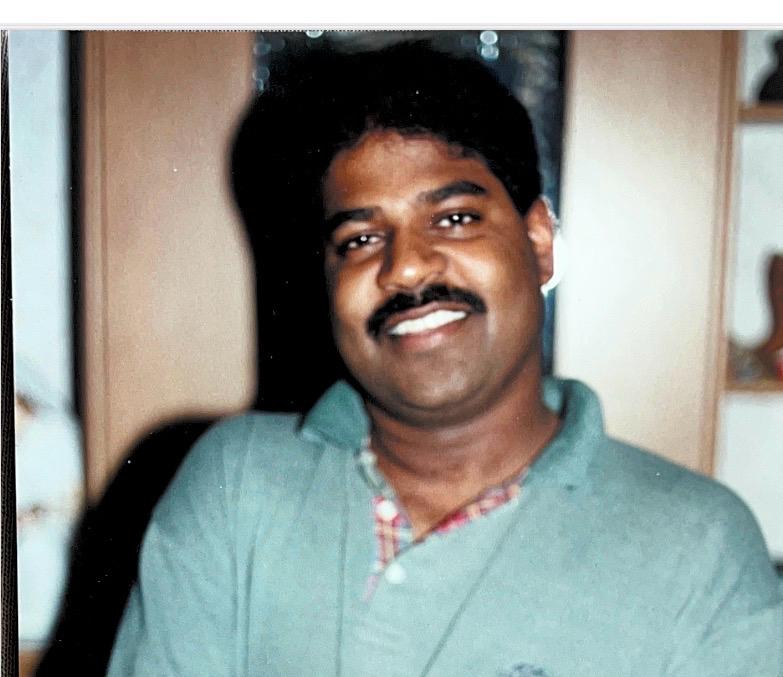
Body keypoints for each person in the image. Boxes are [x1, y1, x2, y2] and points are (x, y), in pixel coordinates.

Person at [107, 42, 783, 676]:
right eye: (360, 239)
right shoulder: (237, 487)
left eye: (454, 218)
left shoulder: (697, 546)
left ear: (539, 244)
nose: (405, 268)